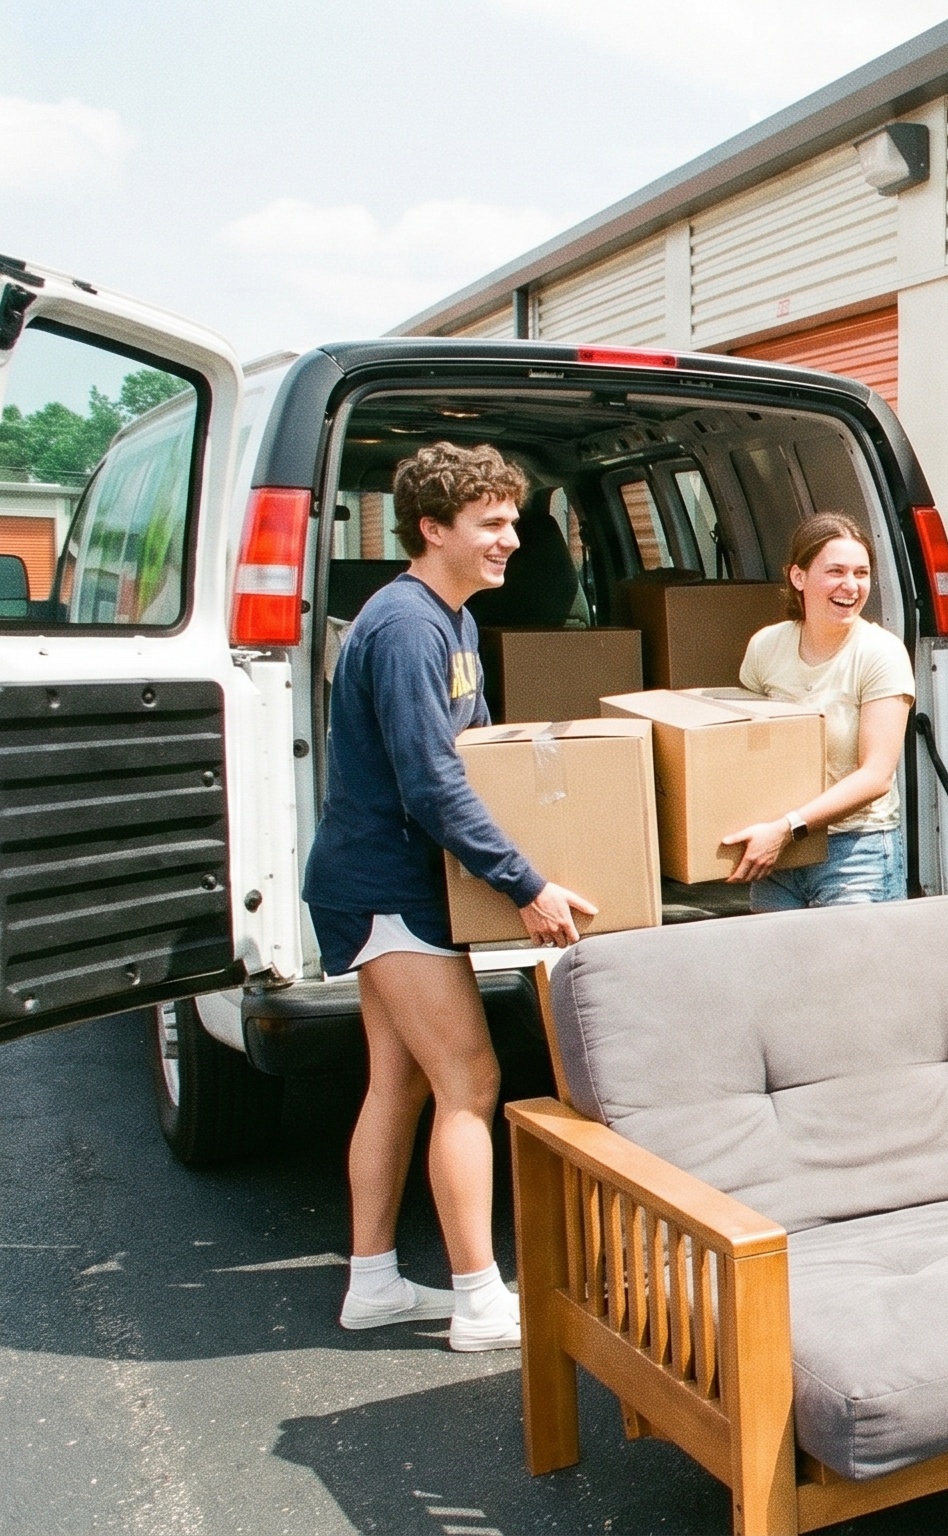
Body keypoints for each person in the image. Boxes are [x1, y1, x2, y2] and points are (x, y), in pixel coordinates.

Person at [302, 441, 595, 1351]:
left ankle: (374, 1283)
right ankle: (478, 1299)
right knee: (469, 1079)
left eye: (514, 521)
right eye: (493, 525)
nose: (514, 540)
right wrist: (526, 883)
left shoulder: (454, 618)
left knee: (398, 1082)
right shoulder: (406, 629)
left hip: (394, 881)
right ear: (434, 530)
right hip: (385, 886)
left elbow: (468, 758)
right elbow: (431, 781)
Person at [725, 513, 918, 906]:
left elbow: (877, 776)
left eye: (861, 573)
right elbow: (742, 747)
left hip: (855, 853)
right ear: (798, 577)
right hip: (779, 858)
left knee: (848, 969)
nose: (851, 586)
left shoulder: (880, 653)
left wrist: (786, 827)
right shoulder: (766, 647)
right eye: (836, 571)